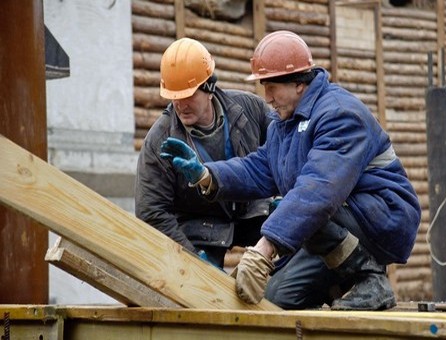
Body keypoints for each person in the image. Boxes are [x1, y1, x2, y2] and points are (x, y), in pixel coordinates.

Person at [159, 30, 421, 311]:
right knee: (277, 298)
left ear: (298, 84)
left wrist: (264, 249)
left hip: (383, 218)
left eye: (272, 87)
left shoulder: (338, 114)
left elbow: (317, 191)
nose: (267, 97)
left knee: (296, 207)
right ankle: (340, 285)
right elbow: (259, 167)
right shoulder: (284, 122)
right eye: (263, 87)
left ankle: (370, 281)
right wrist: (207, 175)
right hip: (336, 221)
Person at [135, 37, 272, 269]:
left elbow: (286, 150)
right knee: (207, 288)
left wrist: (283, 199)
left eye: (188, 95)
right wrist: (189, 258)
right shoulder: (159, 140)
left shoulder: (251, 109)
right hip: (200, 228)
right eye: (174, 97)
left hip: (252, 212)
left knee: (299, 237)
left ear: (209, 87)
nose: (180, 105)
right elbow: (151, 211)